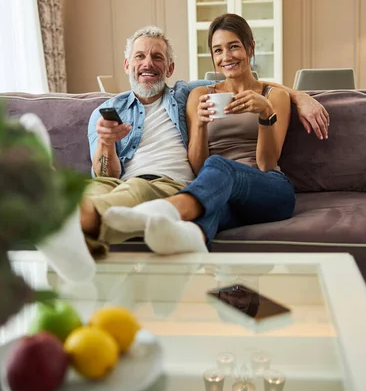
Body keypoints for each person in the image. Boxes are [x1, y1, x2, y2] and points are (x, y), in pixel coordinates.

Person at [26, 24, 329, 274]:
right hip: (153, 182)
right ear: (127, 64)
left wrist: (297, 95)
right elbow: (107, 173)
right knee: (96, 190)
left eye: (157, 57)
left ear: (170, 67)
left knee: (150, 187)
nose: (148, 64)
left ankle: (107, 218)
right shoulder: (109, 111)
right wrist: (106, 143)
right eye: (140, 56)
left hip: (177, 183)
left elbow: (240, 80)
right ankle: (68, 226)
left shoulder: (183, 93)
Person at [103, 15, 306, 255]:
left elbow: (267, 163)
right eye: (218, 50)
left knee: (219, 165)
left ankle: (165, 209)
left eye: (234, 47)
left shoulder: (274, 97)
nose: (226, 57)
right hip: (219, 190)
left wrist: (265, 112)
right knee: (211, 207)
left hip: (269, 189)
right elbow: (199, 168)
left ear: (250, 48)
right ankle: (189, 239)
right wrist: (198, 124)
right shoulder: (199, 95)